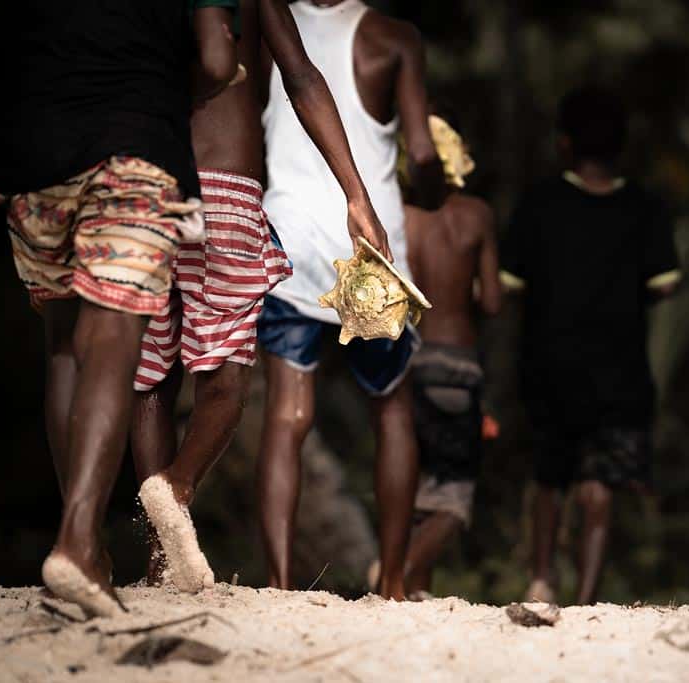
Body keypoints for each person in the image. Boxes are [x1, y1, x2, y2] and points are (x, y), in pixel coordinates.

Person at [127, 0, 393, 594]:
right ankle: (174, 498)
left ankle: (162, 532)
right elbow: (299, 74)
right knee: (216, 374)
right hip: (211, 184)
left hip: (146, 182)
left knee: (154, 376)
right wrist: (356, 195)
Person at [0, 1, 242, 616]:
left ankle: (86, 547)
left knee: (62, 344)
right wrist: (160, 85)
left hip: (36, 153)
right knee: (115, 322)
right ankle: (78, 541)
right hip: (135, 143)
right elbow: (216, 56)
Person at [256, 0, 443, 600]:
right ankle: (390, 582)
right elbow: (420, 154)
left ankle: (279, 581)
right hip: (370, 242)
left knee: (286, 414)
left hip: (290, 231)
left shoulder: (267, 26)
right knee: (391, 411)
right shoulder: (394, 37)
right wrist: (436, 187)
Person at [502, 87, 680, 605]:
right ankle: (585, 595)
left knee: (550, 475)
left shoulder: (540, 203)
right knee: (600, 482)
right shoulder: (645, 208)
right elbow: (667, 283)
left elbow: (508, 283)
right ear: (622, 145)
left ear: (564, 144)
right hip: (620, 369)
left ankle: (540, 578)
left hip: (550, 363)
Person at [397, 115, 501, 597]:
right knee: (454, 490)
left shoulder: (402, 217)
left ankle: (413, 583)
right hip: (458, 361)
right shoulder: (477, 215)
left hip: (410, 359)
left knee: (414, 479)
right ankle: (401, 571)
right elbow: (494, 301)